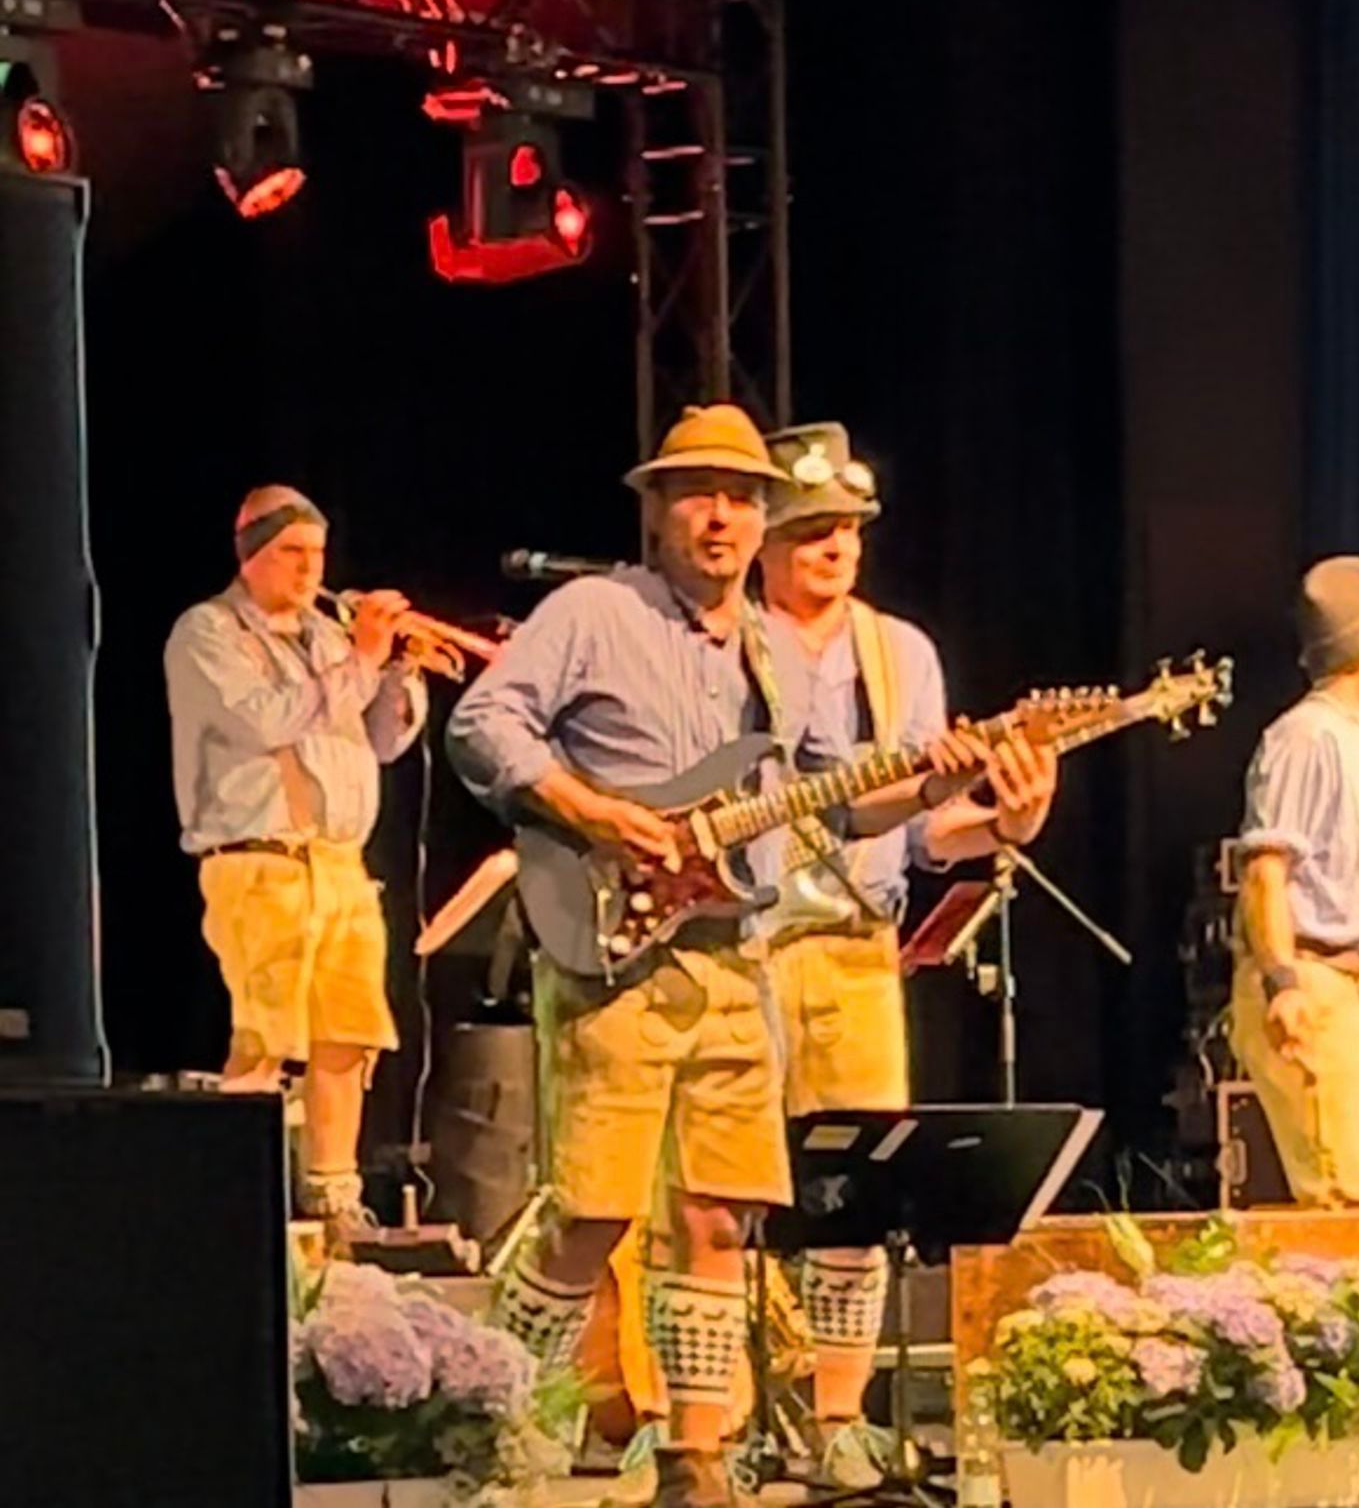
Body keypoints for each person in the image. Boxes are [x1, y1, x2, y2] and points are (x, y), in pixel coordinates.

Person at [447, 404, 834, 1508]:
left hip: (729, 953)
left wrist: (961, 788)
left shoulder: (775, 651)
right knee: (593, 1210)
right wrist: (594, 809)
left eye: (742, 495)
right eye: (697, 492)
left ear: (763, 519)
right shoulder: (593, 610)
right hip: (612, 947)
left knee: (718, 1210)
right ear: (657, 509)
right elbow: (483, 724)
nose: (721, 513)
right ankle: (491, 1422)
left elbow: (824, 803)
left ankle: (694, 1454)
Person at [754, 422, 1059, 1470]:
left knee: (854, 1194)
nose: (831, 546)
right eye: (807, 528)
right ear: (762, 539)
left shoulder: (900, 655)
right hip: (736, 947)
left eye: (844, 527)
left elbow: (927, 833)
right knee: (723, 1183)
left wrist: (1008, 822)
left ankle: (837, 1420)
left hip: (851, 946)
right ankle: (708, 1420)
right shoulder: (725, 639)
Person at [164, 485, 423, 1245]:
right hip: (260, 861)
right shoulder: (207, 633)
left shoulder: (330, 637)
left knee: (349, 1035)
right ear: (251, 555)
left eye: (318, 553)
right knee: (266, 1034)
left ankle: (333, 1201)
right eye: (293, 554)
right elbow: (268, 718)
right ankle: (236, 1196)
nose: (313, 570)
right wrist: (365, 660)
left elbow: (378, 742)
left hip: (341, 863)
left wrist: (399, 678)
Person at [1228, 556, 1359, 1208]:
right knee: (1349, 1202)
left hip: (1356, 991)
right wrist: (1283, 982)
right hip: (1313, 989)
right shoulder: (1306, 737)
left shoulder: (1355, 740)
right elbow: (1266, 872)